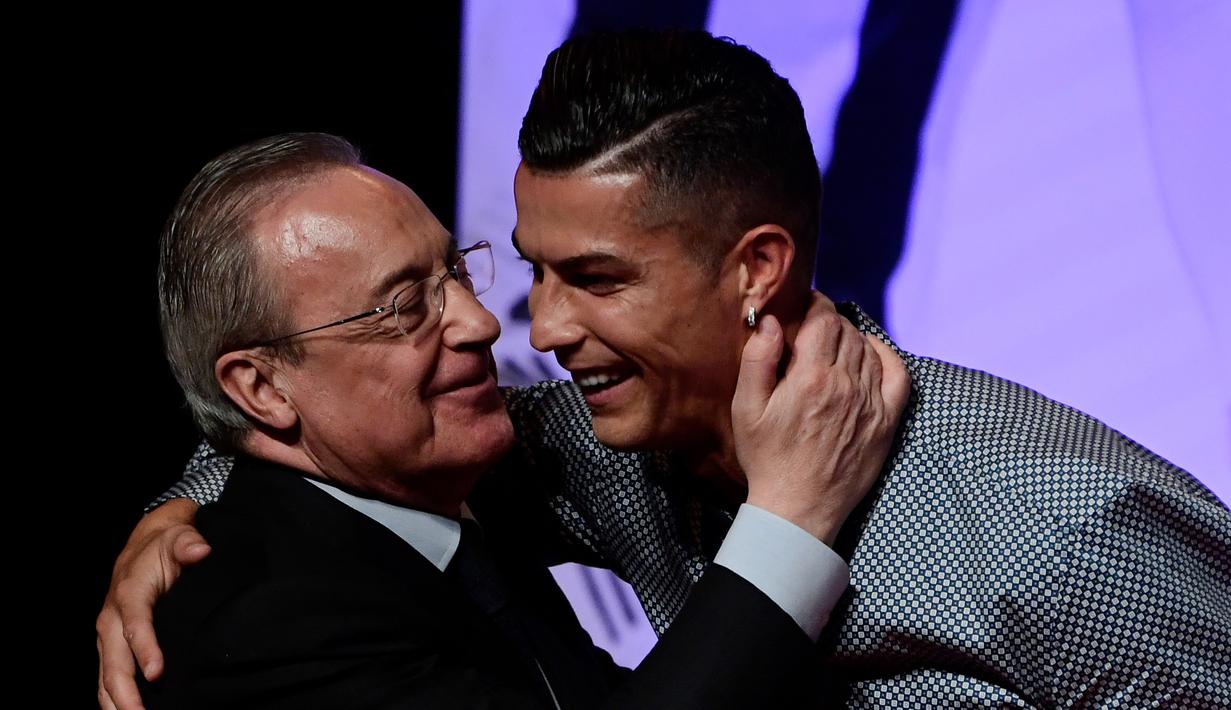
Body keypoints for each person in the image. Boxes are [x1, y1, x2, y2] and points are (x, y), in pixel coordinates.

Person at [103, 30, 1231, 707]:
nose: (531, 331)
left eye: (593, 279)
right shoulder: (602, 451)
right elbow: (333, 468)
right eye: (532, 273)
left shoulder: (1059, 521)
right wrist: (172, 523)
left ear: (756, 269)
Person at [102, 131, 906, 710]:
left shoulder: (439, 497)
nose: (480, 322)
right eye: (402, 306)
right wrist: (791, 515)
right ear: (263, 389)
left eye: (453, 270)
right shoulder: (267, 629)